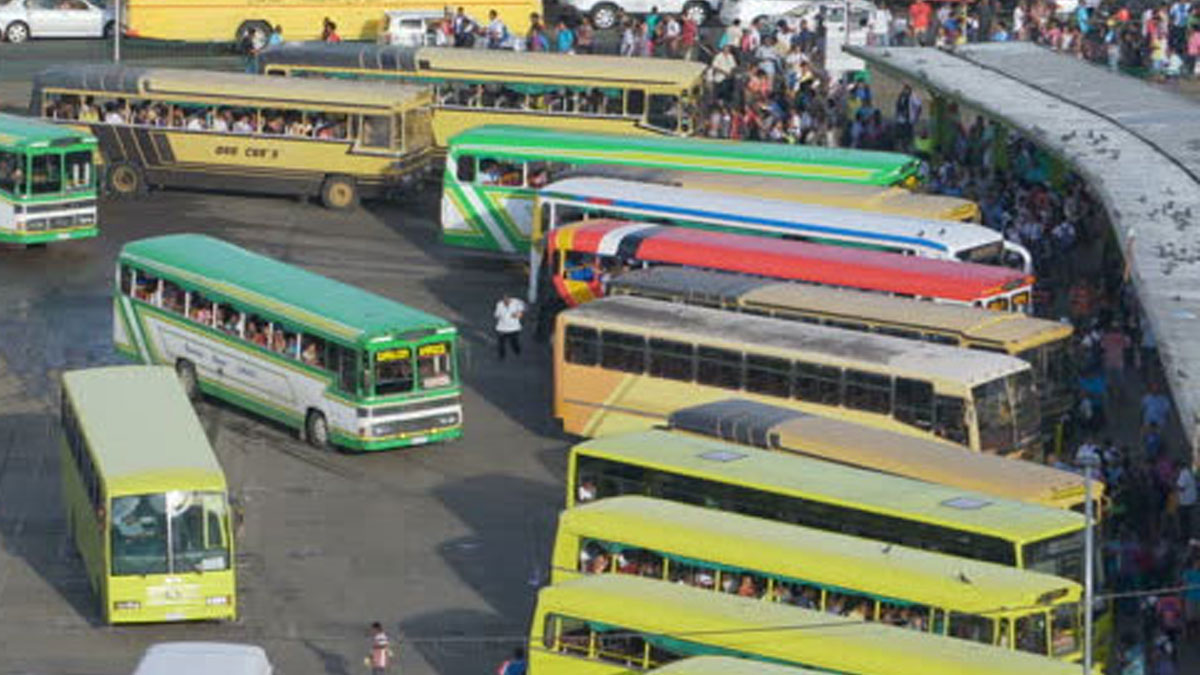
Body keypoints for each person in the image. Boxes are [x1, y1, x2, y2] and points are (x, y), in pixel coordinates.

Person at [494, 292, 525, 360]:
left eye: (507, 299)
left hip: (513, 328)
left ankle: (517, 350)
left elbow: (521, 313)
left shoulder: (517, 303)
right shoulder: (499, 304)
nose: (505, 301)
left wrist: (516, 315)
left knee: (513, 342)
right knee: (501, 343)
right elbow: (496, 315)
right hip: (502, 328)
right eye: (504, 299)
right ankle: (501, 355)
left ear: (510, 299)